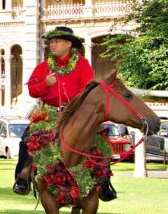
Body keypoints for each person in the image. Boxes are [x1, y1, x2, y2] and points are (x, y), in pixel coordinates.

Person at [12, 26, 117, 201]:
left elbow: (87, 89)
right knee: (27, 140)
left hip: (75, 112)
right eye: (51, 42)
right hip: (49, 112)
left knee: (100, 139)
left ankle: (104, 184)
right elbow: (32, 90)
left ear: (68, 44)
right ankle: (22, 178)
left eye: (57, 42)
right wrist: (45, 83)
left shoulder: (82, 64)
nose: (52, 45)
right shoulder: (43, 67)